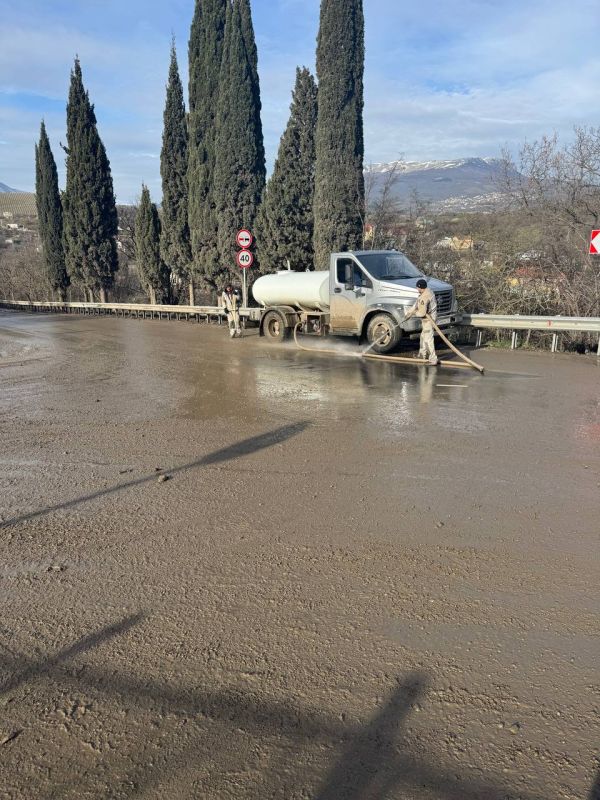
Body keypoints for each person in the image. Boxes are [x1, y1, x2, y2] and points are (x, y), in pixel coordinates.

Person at [404, 278, 438, 365]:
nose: (417, 289)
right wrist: (408, 314)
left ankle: (433, 359)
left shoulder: (425, 296)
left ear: (420, 287)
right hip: (427, 320)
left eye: (417, 288)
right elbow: (416, 305)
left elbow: (422, 313)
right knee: (423, 337)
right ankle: (422, 355)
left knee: (428, 339)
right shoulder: (427, 292)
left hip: (429, 321)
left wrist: (414, 313)